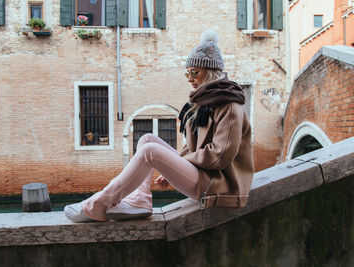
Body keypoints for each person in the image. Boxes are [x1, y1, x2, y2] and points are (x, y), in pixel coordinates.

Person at [64, 30, 254, 223]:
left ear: (211, 71)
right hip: (204, 175)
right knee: (147, 139)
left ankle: (98, 204)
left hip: (221, 185)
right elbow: (190, 148)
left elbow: (220, 156)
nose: (189, 78)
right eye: (187, 73)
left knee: (150, 151)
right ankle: (139, 200)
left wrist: (179, 161)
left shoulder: (229, 105)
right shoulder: (200, 103)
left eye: (194, 72)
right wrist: (175, 165)